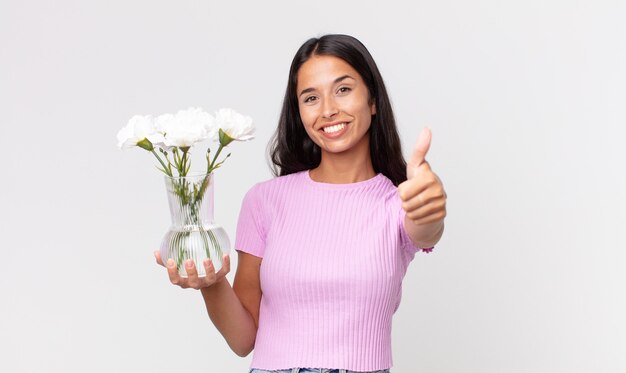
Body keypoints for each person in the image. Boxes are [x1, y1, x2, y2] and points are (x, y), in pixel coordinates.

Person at [155, 34, 447, 373]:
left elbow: (426, 229)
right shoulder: (264, 201)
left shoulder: (398, 204)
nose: (327, 110)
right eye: (311, 98)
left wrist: (430, 205)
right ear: (299, 112)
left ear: (372, 100)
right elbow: (243, 340)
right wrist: (212, 284)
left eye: (343, 89)